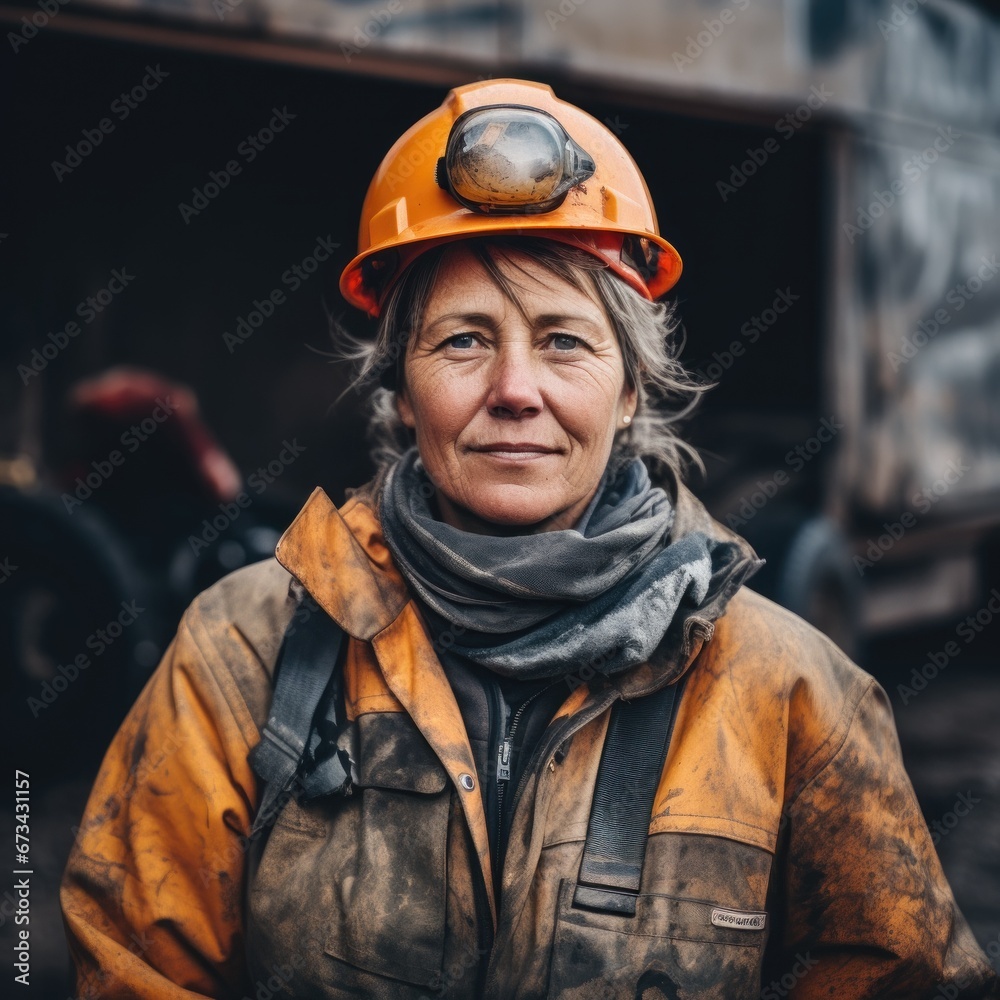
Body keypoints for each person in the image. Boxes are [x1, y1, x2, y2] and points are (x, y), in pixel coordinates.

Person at [61, 79, 999, 999]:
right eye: (464, 340)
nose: (516, 389)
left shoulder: (791, 688)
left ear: (630, 389)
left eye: (563, 342)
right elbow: (134, 961)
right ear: (399, 387)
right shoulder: (243, 649)